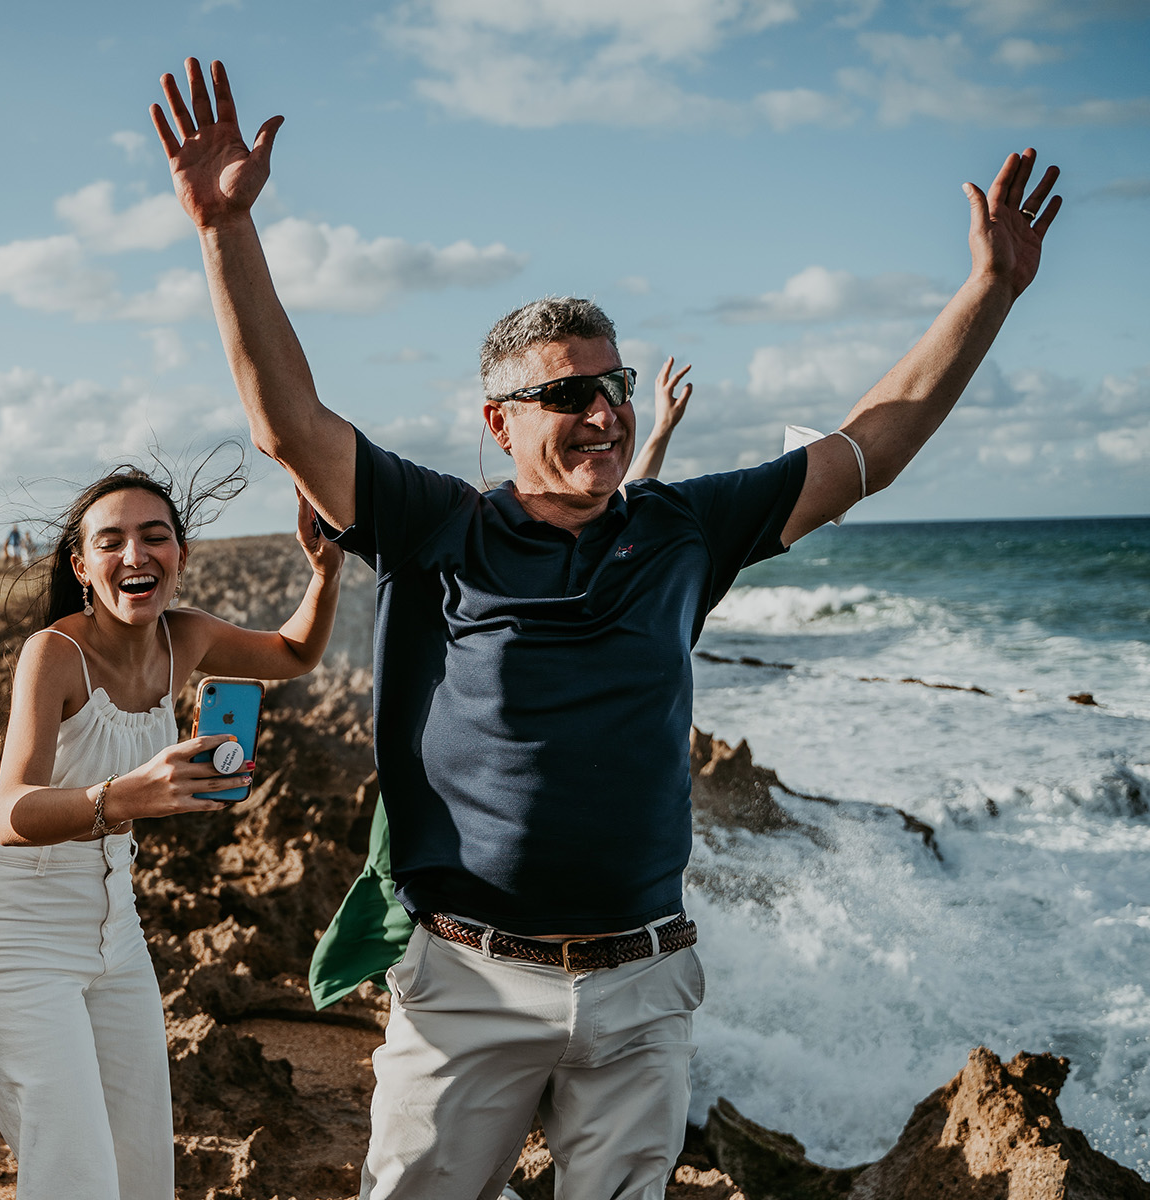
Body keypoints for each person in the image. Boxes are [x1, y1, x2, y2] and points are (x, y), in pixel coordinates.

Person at [154, 57, 1060, 1199]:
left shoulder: (687, 527)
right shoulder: (440, 525)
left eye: (614, 385)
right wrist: (224, 229)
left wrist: (991, 292)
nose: (603, 411)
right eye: (569, 393)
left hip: (642, 983)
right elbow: (289, 425)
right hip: (470, 981)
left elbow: (868, 449)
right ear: (497, 421)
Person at [0, 470, 343, 1199]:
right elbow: (12, 814)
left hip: (118, 941)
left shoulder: (185, 638)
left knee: (140, 1176)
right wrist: (131, 796)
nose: (137, 553)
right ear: (82, 566)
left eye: (155, 536)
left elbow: (294, 655)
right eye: (113, 541)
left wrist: (325, 571)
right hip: (24, 940)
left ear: (181, 555)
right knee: (77, 1176)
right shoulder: (53, 654)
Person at [310, 356, 698, 1011]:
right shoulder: (455, 541)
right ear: (503, 431)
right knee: (407, 877)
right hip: (452, 772)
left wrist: (658, 431)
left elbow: (628, 506)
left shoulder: (585, 534)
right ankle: (405, 978)